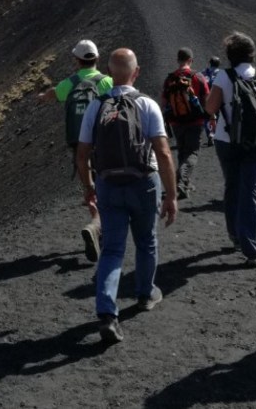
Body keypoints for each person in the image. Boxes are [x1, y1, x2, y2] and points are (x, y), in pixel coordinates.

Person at [76, 48, 178, 343]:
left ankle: (107, 313)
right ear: (137, 72)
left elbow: (82, 155)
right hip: (144, 183)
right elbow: (163, 152)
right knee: (146, 241)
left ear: (109, 74)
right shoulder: (147, 105)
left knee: (112, 250)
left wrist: (88, 187)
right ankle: (145, 294)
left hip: (108, 184)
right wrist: (171, 195)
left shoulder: (97, 107)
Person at [38, 39, 113, 262]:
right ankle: (98, 228)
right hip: (103, 141)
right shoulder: (105, 82)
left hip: (80, 144)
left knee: (90, 188)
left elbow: (53, 94)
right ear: (97, 59)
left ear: (76, 61)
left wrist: (42, 96)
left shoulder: (69, 83)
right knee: (106, 185)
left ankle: (96, 221)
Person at [204, 32, 256, 268]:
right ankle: (252, 251)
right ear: (252, 53)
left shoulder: (224, 76)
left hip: (228, 141)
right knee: (252, 192)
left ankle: (235, 236)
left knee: (232, 186)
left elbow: (210, 108)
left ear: (230, 55)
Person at [161, 47, 210, 199]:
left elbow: (164, 101)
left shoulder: (170, 78)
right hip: (195, 121)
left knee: (182, 150)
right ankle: (182, 183)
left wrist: (166, 118)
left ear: (178, 60)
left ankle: (183, 182)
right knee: (192, 153)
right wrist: (209, 117)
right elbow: (207, 99)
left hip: (176, 122)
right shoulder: (198, 77)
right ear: (190, 60)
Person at [200, 56, 222, 146]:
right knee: (217, 116)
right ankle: (215, 134)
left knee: (206, 117)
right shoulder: (221, 73)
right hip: (217, 98)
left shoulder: (203, 72)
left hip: (205, 98)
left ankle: (209, 133)